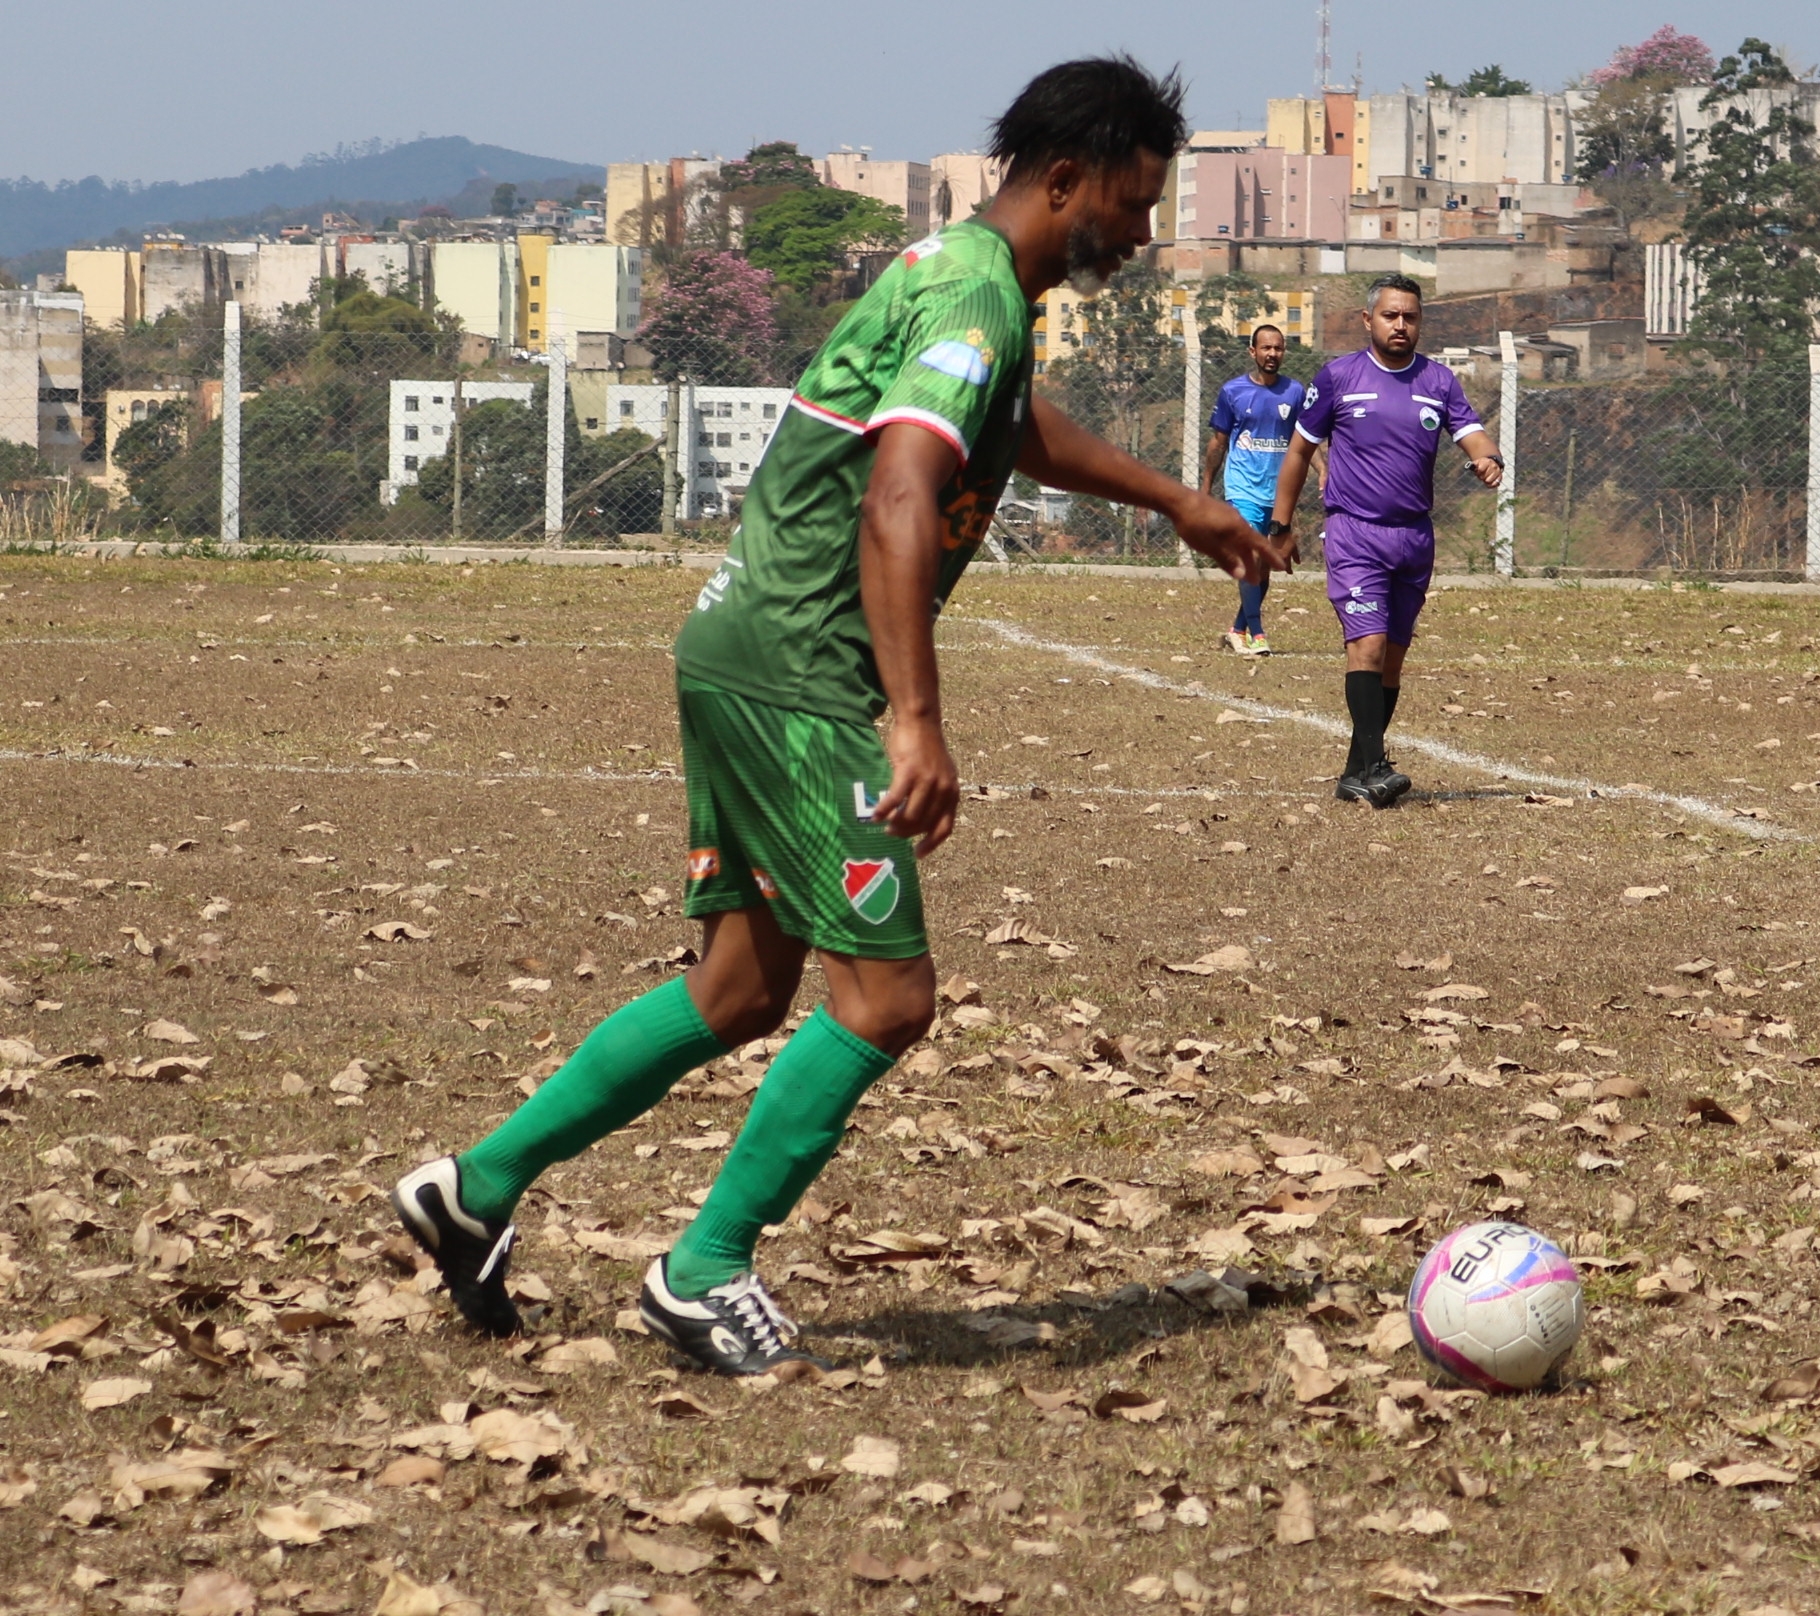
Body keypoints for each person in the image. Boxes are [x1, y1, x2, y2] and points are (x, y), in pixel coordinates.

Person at [391, 57, 1277, 1376]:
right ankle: (702, 1270)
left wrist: (1176, 499)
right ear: (1068, 179)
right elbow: (901, 493)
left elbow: (1010, 424)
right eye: (1136, 203)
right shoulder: (977, 295)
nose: (1142, 233)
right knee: (888, 997)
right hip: (801, 674)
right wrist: (913, 718)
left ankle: (474, 1188)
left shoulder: (961, 277)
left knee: (742, 988)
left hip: (741, 645)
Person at [1269, 274, 1503, 807]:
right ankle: (1376, 765)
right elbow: (1299, 452)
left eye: (1410, 317)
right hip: (1355, 532)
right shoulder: (1338, 377)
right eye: (1391, 315)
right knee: (1368, 646)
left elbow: (1471, 433)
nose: (1401, 325)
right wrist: (1280, 528)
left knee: (1392, 658)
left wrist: (1489, 458)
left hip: (1414, 538)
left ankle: (1356, 771)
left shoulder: (1439, 381)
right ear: (1367, 320)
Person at [1200, 324, 1306, 655]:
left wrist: (1324, 473)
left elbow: (1305, 442)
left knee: (1265, 567)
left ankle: (1237, 629)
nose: (1272, 354)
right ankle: (1258, 635)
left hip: (1279, 494)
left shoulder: (1295, 392)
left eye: (1278, 348)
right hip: (1242, 489)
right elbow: (1218, 444)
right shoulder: (1233, 392)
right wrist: (1205, 488)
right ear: (1253, 352)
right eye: (1266, 348)